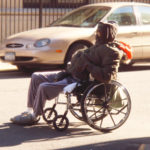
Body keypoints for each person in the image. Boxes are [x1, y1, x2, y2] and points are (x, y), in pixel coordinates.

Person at [10, 22, 124, 125]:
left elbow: (107, 76)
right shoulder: (97, 46)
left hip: (80, 81)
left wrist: (88, 65)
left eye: (99, 32)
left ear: (106, 34)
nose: (96, 34)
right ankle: (29, 110)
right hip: (70, 74)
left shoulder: (112, 52)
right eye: (97, 31)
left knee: (43, 87)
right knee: (36, 76)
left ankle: (35, 115)